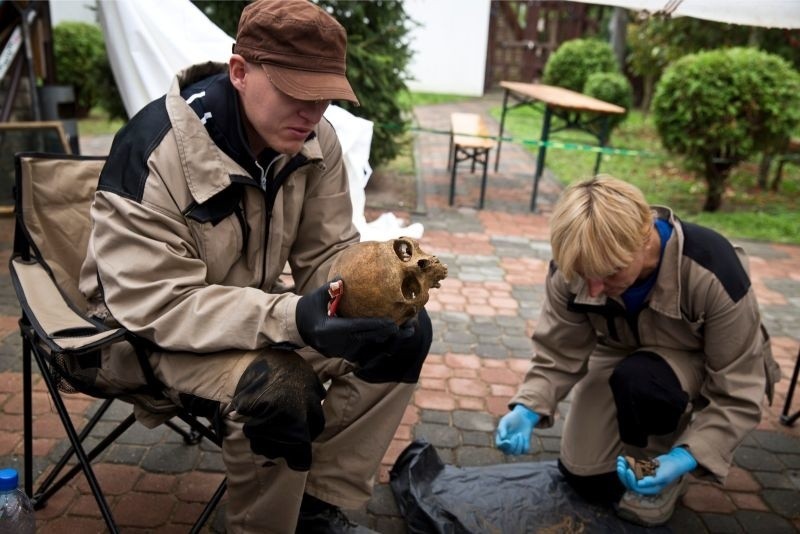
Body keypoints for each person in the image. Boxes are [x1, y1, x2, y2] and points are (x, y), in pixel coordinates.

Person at [77, 1, 432, 532]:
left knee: (402, 335)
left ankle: (315, 503)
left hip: (246, 316)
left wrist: (367, 291)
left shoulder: (314, 139)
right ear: (239, 72)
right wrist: (294, 318)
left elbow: (324, 253)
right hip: (137, 337)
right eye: (297, 93)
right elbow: (157, 304)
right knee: (280, 389)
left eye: (326, 97)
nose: (314, 114)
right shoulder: (156, 152)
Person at [494, 175, 780, 527]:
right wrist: (528, 406)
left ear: (645, 238)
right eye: (586, 275)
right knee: (584, 476)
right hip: (622, 354)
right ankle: (635, 438)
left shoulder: (713, 269)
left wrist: (687, 456)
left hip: (696, 364)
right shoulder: (572, 266)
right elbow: (558, 351)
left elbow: (739, 389)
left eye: (610, 273)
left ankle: (667, 464)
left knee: (644, 380)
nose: (595, 289)